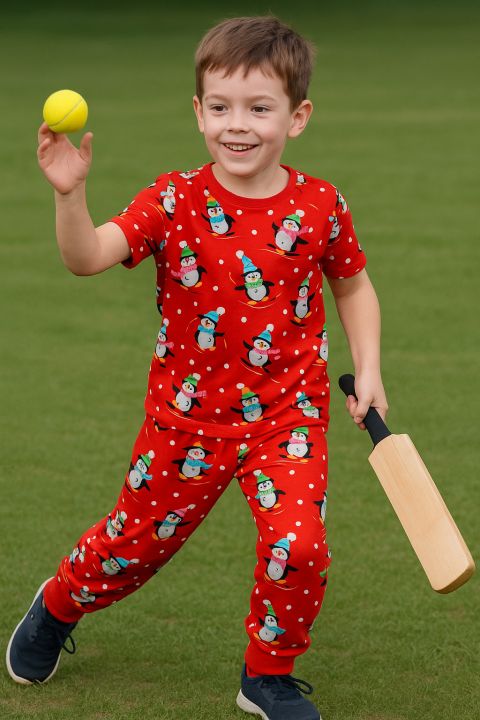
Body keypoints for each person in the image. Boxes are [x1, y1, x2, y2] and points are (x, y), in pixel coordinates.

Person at [6, 15, 388, 720]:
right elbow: (87, 257)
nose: (237, 125)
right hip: (188, 420)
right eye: (220, 107)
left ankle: (267, 676)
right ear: (198, 111)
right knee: (130, 549)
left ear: (297, 117)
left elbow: (353, 285)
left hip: (289, 415)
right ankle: (59, 604)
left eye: (259, 108)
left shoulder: (320, 205)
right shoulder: (173, 200)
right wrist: (68, 194)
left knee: (300, 547)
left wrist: (370, 369)